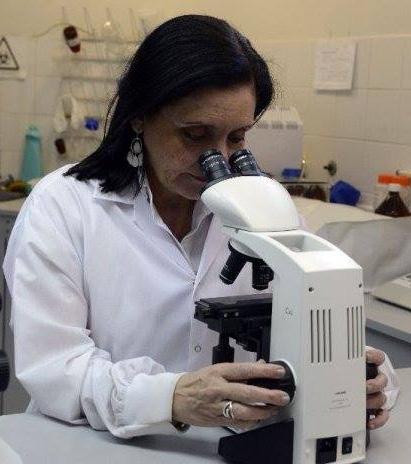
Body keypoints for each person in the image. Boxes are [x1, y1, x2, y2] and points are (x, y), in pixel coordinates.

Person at [3, 15, 398, 438]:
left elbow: (328, 328)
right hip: (92, 445)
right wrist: (171, 397)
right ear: (139, 116)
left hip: (234, 444)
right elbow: (54, 368)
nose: (219, 158)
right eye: (194, 135)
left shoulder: (266, 211)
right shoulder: (64, 206)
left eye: (237, 138)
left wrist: (367, 380)